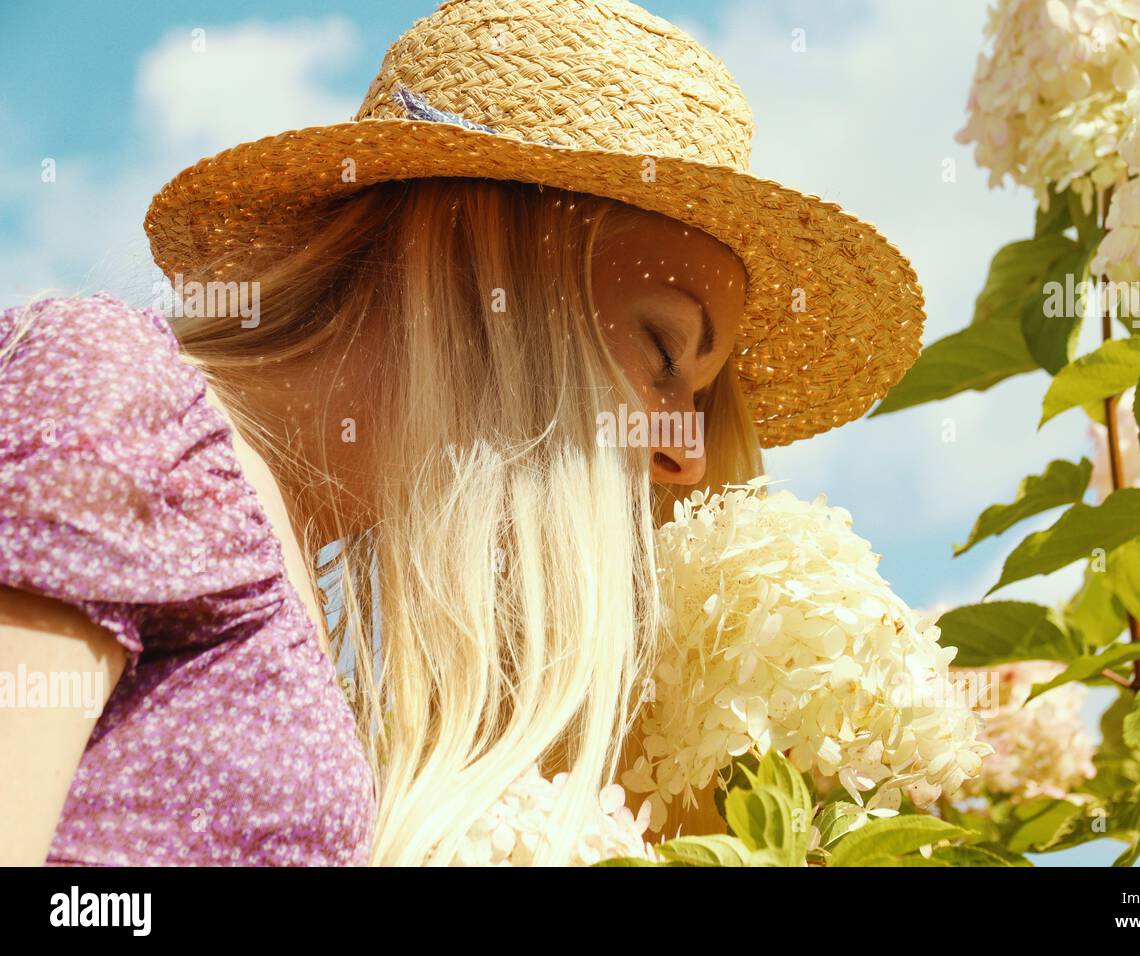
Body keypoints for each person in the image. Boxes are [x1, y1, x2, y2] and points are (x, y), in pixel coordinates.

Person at [0, 0, 924, 866]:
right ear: (477, 254)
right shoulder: (122, 399)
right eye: (661, 348)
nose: (684, 454)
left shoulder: (310, 609)